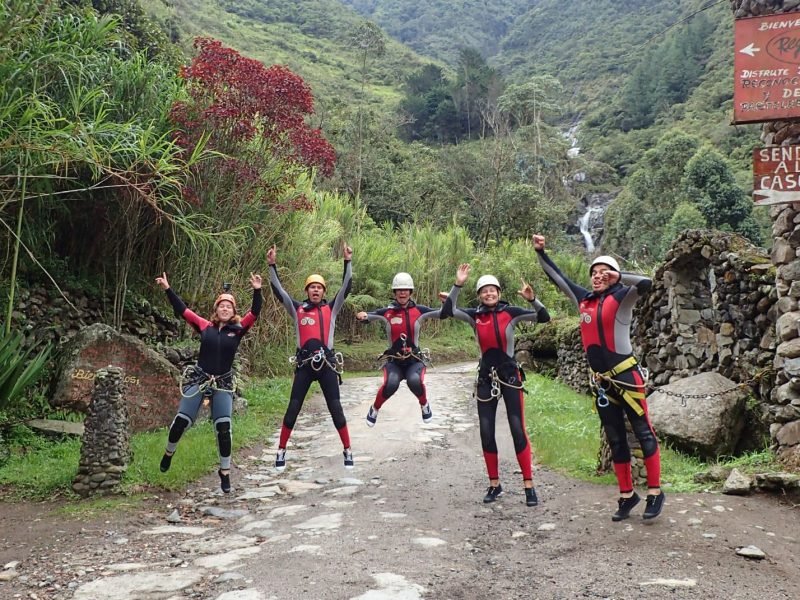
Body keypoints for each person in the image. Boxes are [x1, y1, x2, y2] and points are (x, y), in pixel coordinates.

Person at [533, 234, 665, 521]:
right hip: (602, 382)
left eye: (603, 273)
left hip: (627, 376)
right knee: (616, 439)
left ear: (614, 276)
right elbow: (558, 278)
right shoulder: (583, 299)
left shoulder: (623, 294)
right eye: (594, 272)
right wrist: (541, 252)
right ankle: (627, 495)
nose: (597, 276)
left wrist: (618, 276)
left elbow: (647, 283)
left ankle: (655, 492)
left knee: (643, 432)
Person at [441, 263, 550, 507]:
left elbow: (544, 317)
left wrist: (533, 300)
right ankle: (494, 484)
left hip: (510, 375)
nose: (489, 294)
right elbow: (448, 311)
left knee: (516, 428)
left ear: (499, 293)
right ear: (479, 295)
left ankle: (529, 485)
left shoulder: (511, 312)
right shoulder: (474, 316)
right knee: (486, 431)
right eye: (484, 291)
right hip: (486, 377)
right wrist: (458, 284)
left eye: (493, 290)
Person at [156, 271, 263, 494]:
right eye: (221, 306)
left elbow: (255, 312)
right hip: (200, 378)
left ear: (233, 312)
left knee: (223, 428)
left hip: (222, 382)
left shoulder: (238, 329)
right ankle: (169, 452)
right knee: (180, 422)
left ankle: (224, 472)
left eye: (229, 307)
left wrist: (257, 290)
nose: (225, 309)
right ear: (216, 310)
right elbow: (182, 310)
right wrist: (168, 289)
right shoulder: (205, 326)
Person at [267, 244, 354, 471]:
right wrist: (272, 265)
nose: (315, 291)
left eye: (319, 288)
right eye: (312, 287)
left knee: (336, 408)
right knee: (293, 408)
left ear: (324, 292)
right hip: (304, 366)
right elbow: (279, 292)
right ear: (307, 291)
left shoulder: (332, 309)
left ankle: (347, 449)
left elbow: (347, 287)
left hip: (327, 366)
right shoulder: (298, 309)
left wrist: (347, 261)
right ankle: (281, 450)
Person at [356, 272, 440, 427]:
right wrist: (362, 315)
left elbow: (442, 313)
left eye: (406, 289)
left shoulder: (420, 310)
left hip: (414, 360)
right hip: (394, 361)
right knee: (391, 384)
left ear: (410, 292)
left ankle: (424, 404)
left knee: (414, 381)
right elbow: (369, 316)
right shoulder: (387, 312)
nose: (402, 292)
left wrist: (447, 302)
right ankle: (374, 408)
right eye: (399, 289)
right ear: (394, 292)